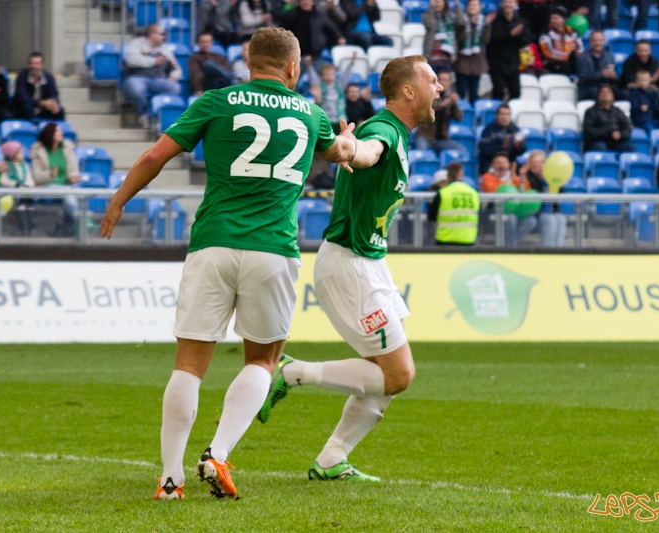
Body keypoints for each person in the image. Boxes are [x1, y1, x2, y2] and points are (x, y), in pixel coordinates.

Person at [100, 26, 357, 501]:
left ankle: (171, 479)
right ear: (294, 68)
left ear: (247, 60)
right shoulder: (312, 113)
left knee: (189, 365)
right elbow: (342, 153)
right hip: (273, 250)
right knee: (263, 358)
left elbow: (157, 155)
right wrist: (346, 140)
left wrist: (119, 200)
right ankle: (216, 453)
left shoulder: (217, 101)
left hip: (213, 243)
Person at [255, 55, 443, 482]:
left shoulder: (398, 132)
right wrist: (350, 150)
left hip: (368, 265)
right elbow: (368, 151)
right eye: (432, 80)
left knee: (382, 374)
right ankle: (292, 372)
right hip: (350, 266)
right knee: (398, 375)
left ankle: (331, 459)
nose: (441, 88)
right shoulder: (383, 130)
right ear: (409, 91)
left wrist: (353, 153)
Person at [122, 24, 182, 128]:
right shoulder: (136, 44)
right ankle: (144, 112)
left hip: (158, 79)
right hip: (138, 76)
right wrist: (154, 61)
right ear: (153, 35)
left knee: (175, 87)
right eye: (162, 34)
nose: (164, 37)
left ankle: (147, 115)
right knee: (136, 89)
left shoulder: (164, 49)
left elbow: (176, 67)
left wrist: (174, 75)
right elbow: (131, 61)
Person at [518, 150, 567, 247]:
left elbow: (562, 192)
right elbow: (523, 192)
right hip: (536, 213)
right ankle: (548, 250)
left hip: (553, 211)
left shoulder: (551, 176)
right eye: (532, 162)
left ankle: (559, 249)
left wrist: (547, 177)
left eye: (539, 162)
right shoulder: (527, 177)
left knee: (561, 219)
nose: (536, 165)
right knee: (550, 220)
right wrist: (523, 176)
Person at [276, 0, 345, 65]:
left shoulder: (320, 15)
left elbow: (331, 27)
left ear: (312, 2)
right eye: (302, 0)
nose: (305, 2)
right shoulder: (292, 15)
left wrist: (339, 37)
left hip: (317, 55)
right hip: (298, 55)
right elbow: (283, 29)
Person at [427, 161, 480, 245]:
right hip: (468, 241)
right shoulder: (473, 193)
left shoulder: (443, 193)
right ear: (462, 173)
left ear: (447, 175)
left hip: (445, 241)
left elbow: (431, 217)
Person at [486, 0, 529, 100]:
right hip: (496, 61)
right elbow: (491, 40)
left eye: (510, 2)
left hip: (513, 62)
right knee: (498, 91)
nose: (508, 4)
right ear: (502, 3)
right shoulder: (494, 19)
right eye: (506, 2)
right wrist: (510, 34)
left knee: (515, 92)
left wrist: (517, 36)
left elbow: (525, 41)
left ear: (515, 4)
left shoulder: (520, 21)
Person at [415, 70, 464, 152]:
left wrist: (455, 104)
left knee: (461, 151)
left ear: (450, 83)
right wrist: (443, 104)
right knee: (424, 156)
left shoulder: (449, 97)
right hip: (425, 136)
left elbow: (459, 118)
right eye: (440, 80)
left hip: (441, 139)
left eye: (445, 80)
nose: (442, 82)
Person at [454, 0, 490, 103]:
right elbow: (459, 39)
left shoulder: (484, 22)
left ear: (480, 7)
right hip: (462, 61)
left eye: (475, 5)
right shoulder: (461, 20)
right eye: (470, 5)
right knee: (461, 92)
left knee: (474, 94)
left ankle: (472, 115)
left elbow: (485, 40)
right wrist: (464, 25)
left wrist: (487, 26)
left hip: (477, 61)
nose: (472, 7)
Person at [13, 53, 65, 121]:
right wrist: (41, 103)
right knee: (27, 108)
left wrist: (53, 102)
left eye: (36, 64)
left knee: (59, 110)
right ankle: (29, 130)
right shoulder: (22, 76)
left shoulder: (48, 77)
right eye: (31, 63)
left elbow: (54, 93)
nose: (33, 66)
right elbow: (22, 97)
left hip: (43, 110)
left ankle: (56, 131)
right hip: (25, 109)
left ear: (41, 65)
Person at [582, 84, 633, 152]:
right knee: (601, 147)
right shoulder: (590, 112)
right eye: (602, 92)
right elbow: (588, 131)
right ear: (598, 95)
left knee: (629, 147)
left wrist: (620, 134)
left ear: (613, 96)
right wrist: (607, 132)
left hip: (615, 142)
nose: (605, 94)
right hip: (597, 142)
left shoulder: (618, 111)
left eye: (608, 92)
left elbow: (627, 128)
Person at [477, 104, 526, 172]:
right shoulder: (489, 130)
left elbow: (522, 149)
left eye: (507, 114)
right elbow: (485, 150)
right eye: (502, 114)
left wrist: (517, 146)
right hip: (492, 164)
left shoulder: (515, 129)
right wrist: (502, 147)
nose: (505, 117)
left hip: (510, 163)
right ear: (497, 115)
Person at [309, 61, 354, 134]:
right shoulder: (319, 85)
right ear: (321, 76)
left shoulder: (339, 85)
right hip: (326, 120)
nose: (330, 77)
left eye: (332, 74)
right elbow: (313, 77)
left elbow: (346, 74)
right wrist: (309, 66)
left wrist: (351, 62)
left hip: (340, 120)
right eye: (327, 74)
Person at [30, 123, 80, 187]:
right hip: (46, 188)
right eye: (58, 131)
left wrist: (73, 176)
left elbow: (73, 170)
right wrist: (50, 174)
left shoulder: (67, 149)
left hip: (65, 187)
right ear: (51, 134)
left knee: (73, 193)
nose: (61, 133)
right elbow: (36, 177)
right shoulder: (38, 152)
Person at [422, 0, 465, 72]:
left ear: (445, 3)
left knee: (445, 82)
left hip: (447, 59)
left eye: (440, 1)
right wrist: (432, 7)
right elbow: (432, 25)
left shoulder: (451, 17)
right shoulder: (427, 15)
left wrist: (457, 5)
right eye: (435, 1)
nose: (437, 3)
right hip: (431, 59)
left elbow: (461, 22)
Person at [538, 6, 583, 75]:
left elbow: (581, 48)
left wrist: (578, 53)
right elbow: (547, 53)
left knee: (583, 59)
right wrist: (566, 56)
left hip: (572, 62)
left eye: (556, 18)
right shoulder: (546, 33)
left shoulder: (573, 32)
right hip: (553, 63)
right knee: (563, 64)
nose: (553, 21)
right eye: (551, 18)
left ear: (563, 19)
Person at [576, 30, 619, 101]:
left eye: (600, 40)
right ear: (590, 42)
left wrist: (614, 76)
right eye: (595, 41)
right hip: (588, 89)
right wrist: (600, 74)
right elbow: (582, 79)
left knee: (623, 93)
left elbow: (617, 78)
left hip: (606, 88)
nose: (598, 43)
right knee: (598, 92)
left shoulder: (609, 57)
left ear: (604, 42)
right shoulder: (582, 57)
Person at [628, 70, 659, 134]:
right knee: (649, 127)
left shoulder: (653, 93)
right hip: (639, 119)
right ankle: (652, 142)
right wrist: (640, 108)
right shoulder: (634, 93)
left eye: (646, 80)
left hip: (651, 119)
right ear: (637, 81)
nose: (643, 83)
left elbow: (656, 107)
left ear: (649, 81)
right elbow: (633, 107)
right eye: (641, 80)